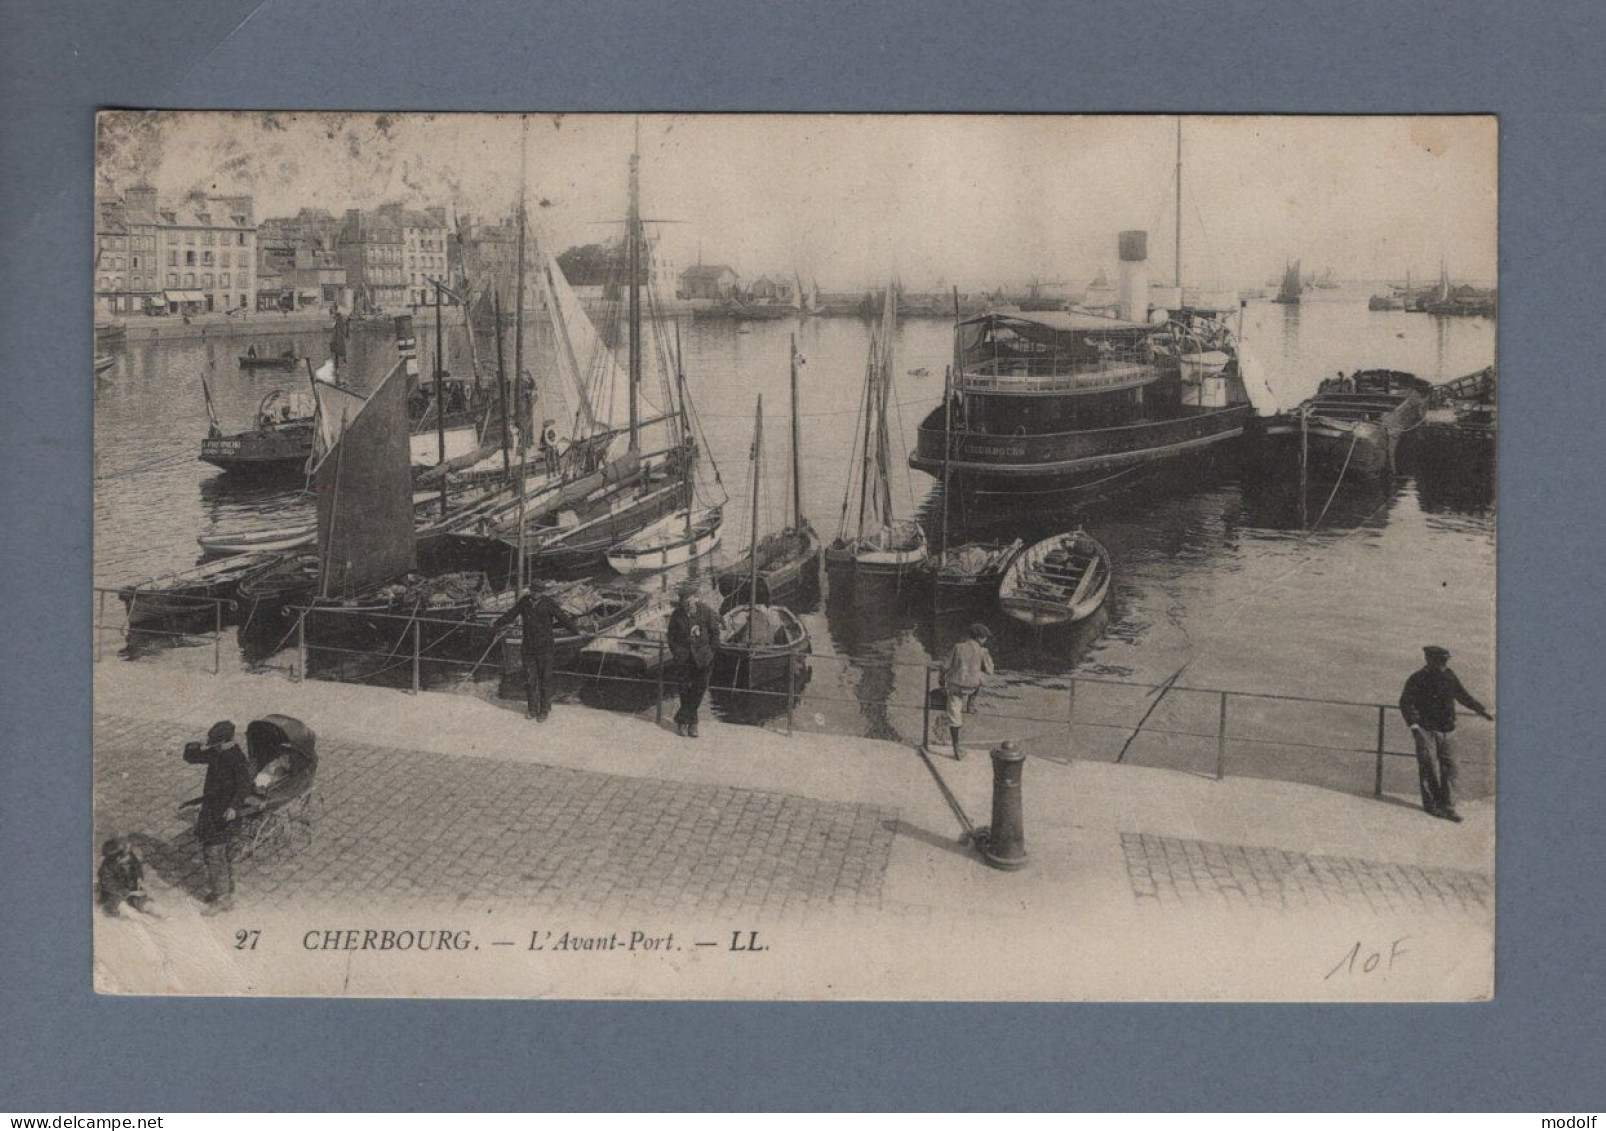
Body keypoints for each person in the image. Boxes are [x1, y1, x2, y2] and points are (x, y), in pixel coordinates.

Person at [1398, 645, 1493, 822]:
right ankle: (1433, 806)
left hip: (1448, 730)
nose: (1443, 664)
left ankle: (1449, 806)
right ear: (1429, 660)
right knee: (1429, 768)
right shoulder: (1418, 678)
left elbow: (1463, 696)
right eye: (1440, 661)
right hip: (1426, 730)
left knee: (1451, 768)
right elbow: (1405, 702)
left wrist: (1481, 710)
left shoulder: (1449, 676)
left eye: (1445, 661)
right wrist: (1414, 726)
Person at [182, 720, 254, 913]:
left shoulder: (237, 759)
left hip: (225, 815)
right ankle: (226, 889)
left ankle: (222, 898)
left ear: (225, 741)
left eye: (216, 744)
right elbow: (194, 756)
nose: (214, 748)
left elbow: (244, 786)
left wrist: (233, 807)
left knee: (214, 854)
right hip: (212, 810)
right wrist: (192, 747)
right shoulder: (217, 752)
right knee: (218, 852)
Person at [493, 583, 583, 721]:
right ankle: (532, 709)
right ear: (531, 590)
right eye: (534, 590)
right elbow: (511, 614)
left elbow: (562, 618)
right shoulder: (525, 601)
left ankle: (544, 711)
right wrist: (496, 624)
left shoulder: (548, 603)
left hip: (545, 648)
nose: (536, 593)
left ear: (542, 592)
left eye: (539, 591)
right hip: (528, 648)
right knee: (530, 680)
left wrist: (577, 630)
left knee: (545, 680)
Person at [667, 583, 721, 738]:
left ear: (695, 599)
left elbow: (715, 632)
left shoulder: (706, 612)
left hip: (704, 658)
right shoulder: (677, 615)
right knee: (684, 690)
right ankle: (691, 724)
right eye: (683, 601)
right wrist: (677, 652)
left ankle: (682, 718)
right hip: (684, 658)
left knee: (699, 688)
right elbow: (671, 636)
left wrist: (711, 651)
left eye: (689, 600)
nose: (687, 603)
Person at [942, 623, 995, 760]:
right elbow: (990, 670)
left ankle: (956, 747)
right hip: (971, 686)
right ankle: (971, 704)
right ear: (979, 638)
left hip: (955, 685)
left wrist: (942, 681)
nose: (985, 640)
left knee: (954, 709)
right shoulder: (983, 651)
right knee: (981, 678)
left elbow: (945, 666)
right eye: (984, 638)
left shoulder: (958, 647)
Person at [97, 838, 155, 918]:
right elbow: (106, 882)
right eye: (117, 857)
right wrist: (120, 889)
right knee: (115, 899)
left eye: (126, 856)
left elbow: (138, 872)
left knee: (140, 897)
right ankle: (111, 912)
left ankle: (141, 910)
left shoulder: (132, 860)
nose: (126, 858)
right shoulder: (108, 866)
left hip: (129, 886)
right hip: (113, 889)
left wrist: (138, 881)